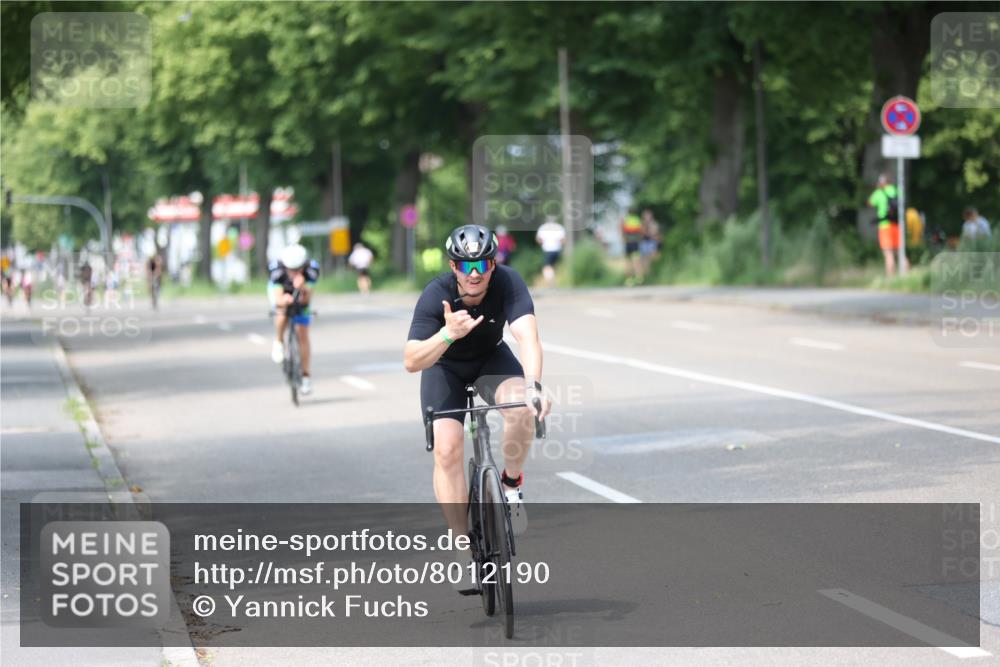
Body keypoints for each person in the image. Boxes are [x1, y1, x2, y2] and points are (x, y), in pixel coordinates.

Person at [404, 224, 552, 593]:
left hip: (490, 361)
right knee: (448, 449)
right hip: (445, 368)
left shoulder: (509, 283)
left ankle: (512, 485)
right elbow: (411, 360)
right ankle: (460, 544)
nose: (474, 275)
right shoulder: (435, 294)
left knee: (521, 408)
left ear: (493, 264)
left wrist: (534, 385)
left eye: (482, 265)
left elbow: (527, 337)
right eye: (465, 266)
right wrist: (447, 333)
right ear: (453, 266)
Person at [269, 244, 319, 395]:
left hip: (301, 293)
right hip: (282, 292)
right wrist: (283, 299)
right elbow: (277, 298)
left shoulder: (311, 271)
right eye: (291, 269)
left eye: (298, 269)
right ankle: (278, 341)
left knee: (303, 332)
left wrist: (302, 288)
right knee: (282, 312)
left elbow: (307, 300)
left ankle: (305, 377)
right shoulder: (277, 271)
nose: (294, 272)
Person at [867, 173, 907, 276]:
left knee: (888, 253)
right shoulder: (896, 190)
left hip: (885, 226)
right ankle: (907, 275)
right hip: (897, 225)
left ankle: (891, 278)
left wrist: (877, 189)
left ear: (881, 182)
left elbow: (870, 203)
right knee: (900, 252)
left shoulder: (879, 192)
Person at [535, 215, 566, 285]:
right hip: (557, 249)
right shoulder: (559, 227)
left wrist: (544, 243)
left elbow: (538, 239)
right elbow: (563, 240)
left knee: (547, 266)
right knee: (553, 266)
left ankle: (550, 281)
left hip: (547, 249)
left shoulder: (543, 227)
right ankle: (554, 280)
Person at [621, 208, 644, 284]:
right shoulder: (637, 219)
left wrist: (624, 240)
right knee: (636, 261)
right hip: (635, 243)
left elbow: (622, 231)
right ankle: (639, 278)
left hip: (628, 243)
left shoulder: (625, 220)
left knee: (628, 262)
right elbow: (641, 231)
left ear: (628, 212)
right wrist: (639, 240)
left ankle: (629, 280)